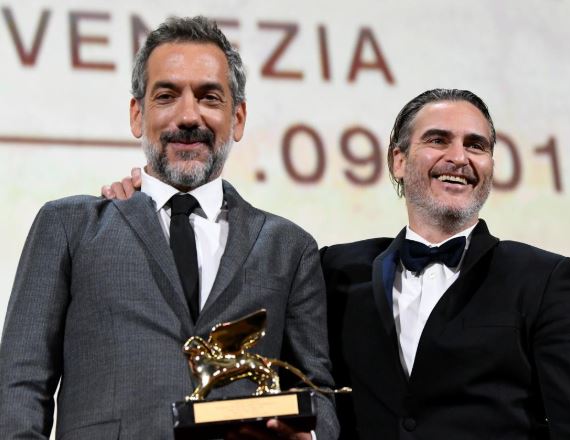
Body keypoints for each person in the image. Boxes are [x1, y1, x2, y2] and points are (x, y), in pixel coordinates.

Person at [100, 88, 570, 439]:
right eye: (438, 140)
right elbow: (219, 297)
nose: (459, 157)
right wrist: (151, 206)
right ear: (398, 160)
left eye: (476, 146)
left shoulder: (544, 278)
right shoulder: (332, 269)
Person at [0, 17, 338, 440]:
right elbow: (19, 385)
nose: (188, 115)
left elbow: (317, 389)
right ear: (137, 114)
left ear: (238, 117)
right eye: (167, 95)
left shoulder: (289, 247)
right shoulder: (69, 225)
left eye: (209, 97)